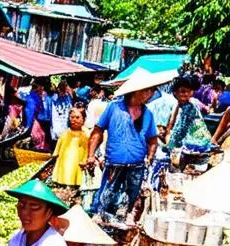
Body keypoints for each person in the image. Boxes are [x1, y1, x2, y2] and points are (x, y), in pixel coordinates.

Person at [86, 69, 165, 223]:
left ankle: (122, 227)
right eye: (148, 90)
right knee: (106, 198)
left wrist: (149, 158)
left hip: (136, 165)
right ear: (137, 90)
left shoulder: (147, 114)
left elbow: (152, 140)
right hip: (114, 163)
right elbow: (97, 131)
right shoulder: (114, 108)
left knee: (129, 202)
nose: (150, 94)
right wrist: (90, 155)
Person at [162, 76, 205, 151]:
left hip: (193, 146)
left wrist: (170, 147)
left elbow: (181, 131)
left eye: (189, 91)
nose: (186, 95)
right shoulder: (175, 105)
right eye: (183, 91)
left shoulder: (190, 108)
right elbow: (170, 128)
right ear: (175, 92)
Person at [52, 105, 89, 188]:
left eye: (77, 117)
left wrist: (85, 160)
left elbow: (87, 149)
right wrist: (55, 154)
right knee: (64, 171)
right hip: (64, 160)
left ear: (83, 119)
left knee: (74, 173)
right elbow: (59, 145)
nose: (74, 120)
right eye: (72, 117)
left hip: (77, 161)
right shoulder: (65, 133)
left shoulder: (85, 134)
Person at [24, 78, 54, 150]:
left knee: (43, 137)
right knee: (40, 137)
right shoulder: (33, 97)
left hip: (44, 122)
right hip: (38, 121)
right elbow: (30, 112)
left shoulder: (47, 97)